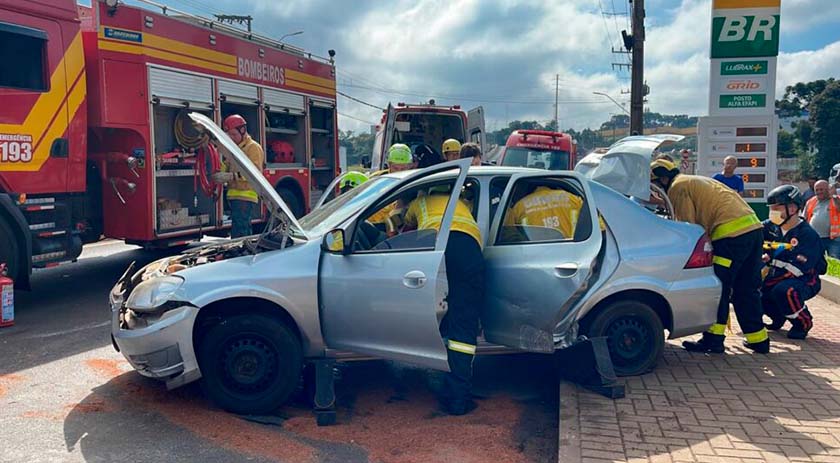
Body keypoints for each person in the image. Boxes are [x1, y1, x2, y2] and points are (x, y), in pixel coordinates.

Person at [650, 159, 769, 354]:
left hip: (729, 237)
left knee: (719, 287)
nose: (655, 191)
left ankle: (713, 340)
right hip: (753, 230)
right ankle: (759, 340)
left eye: (654, 185)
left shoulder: (677, 188)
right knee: (746, 288)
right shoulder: (691, 180)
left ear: (663, 179)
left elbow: (689, 228)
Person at [402, 186, 484, 416]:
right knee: (463, 325)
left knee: (434, 311)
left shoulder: (419, 203)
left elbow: (404, 225)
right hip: (468, 252)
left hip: (439, 252)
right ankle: (458, 398)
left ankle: (452, 389)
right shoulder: (462, 203)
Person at [762, 185, 824, 339]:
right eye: (771, 208)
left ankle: (803, 323)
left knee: (784, 291)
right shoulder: (769, 227)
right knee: (748, 290)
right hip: (776, 276)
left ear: (792, 208)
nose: (773, 212)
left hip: (804, 279)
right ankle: (778, 316)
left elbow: (797, 269)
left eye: (777, 208)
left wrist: (766, 273)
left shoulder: (807, 235)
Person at [213, 114, 265, 238]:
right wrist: (219, 171)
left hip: (246, 195)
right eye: (229, 135)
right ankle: (242, 248)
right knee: (239, 228)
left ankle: (242, 249)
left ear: (243, 131)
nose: (231, 138)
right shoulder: (235, 148)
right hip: (235, 196)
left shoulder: (253, 148)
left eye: (234, 134)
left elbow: (254, 173)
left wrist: (231, 176)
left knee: (240, 230)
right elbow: (227, 165)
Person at [804, 180, 840, 258]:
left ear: (828, 189)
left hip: (835, 239)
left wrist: (834, 196)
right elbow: (804, 218)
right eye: (817, 190)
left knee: (835, 261)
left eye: (821, 189)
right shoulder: (811, 201)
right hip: (816, 238)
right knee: (816, 260)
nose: (819, 192)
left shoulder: (836, 199)